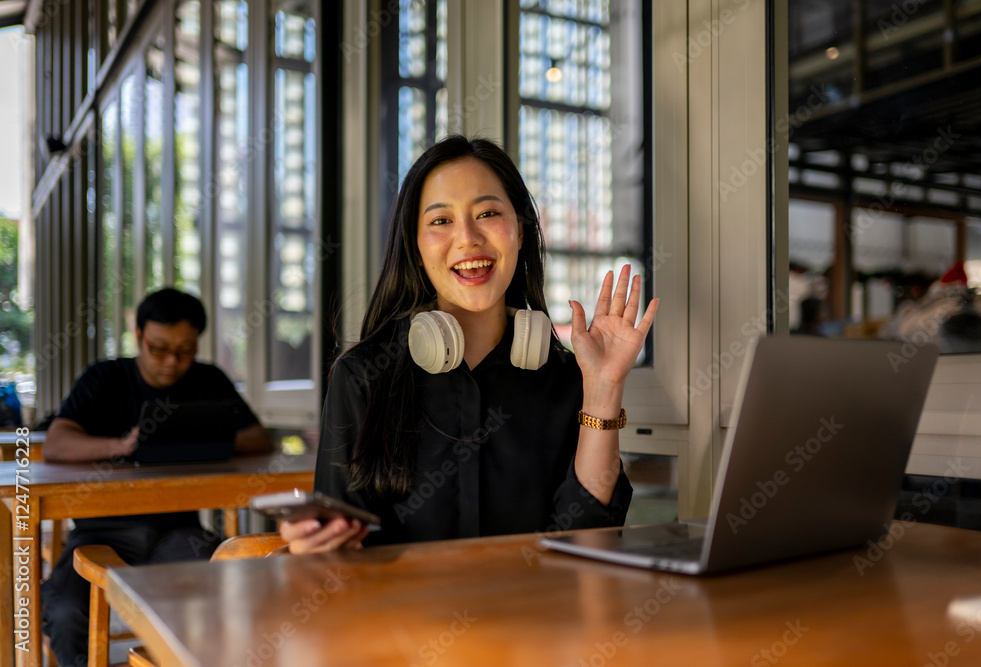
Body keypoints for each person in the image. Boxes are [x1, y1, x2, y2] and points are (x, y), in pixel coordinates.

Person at [282, 136, 658, 554]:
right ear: (415, 247)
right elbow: (338, 553)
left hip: (538, 597)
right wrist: (317, 547)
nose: (467, 238)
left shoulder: (568, 378)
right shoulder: (362, 378)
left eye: (488, 213)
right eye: (441, 220)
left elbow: (587, 542)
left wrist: (604, 390)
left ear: (520, 231)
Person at [40, 287, 272, 666]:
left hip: (178, 532)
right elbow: (56, 444)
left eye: (185, 351)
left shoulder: (207, 379)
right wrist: (122, 445)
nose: (171, 362)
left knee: (234, 592)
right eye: (159, 348)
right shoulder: (104, 377)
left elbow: (258, 438)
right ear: (138, 336)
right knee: (65, 612)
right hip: (101, 532)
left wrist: (195, 439)